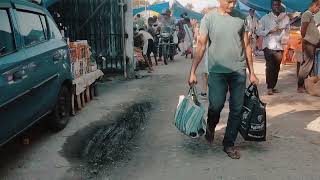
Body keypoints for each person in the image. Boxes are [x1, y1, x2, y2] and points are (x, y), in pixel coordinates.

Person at [188, 0, 259, 159]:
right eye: (229, 1)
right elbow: (201, 44)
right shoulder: (209, 18)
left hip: (238, 70)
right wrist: (192, 71)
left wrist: (251, 72)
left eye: (234, 1)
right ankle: (211, 125)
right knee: (216, 105)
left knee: (237, 108)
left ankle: (229, 143)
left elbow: (246, 45)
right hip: (217, 71)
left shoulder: (242, 18)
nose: (232, 5)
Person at [256, 0, 290, 95]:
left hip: (279, 46)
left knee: (277, 67)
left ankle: (273, 86)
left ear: (280, 6)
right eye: (274, 5)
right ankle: (269, 87)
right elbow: (258, 31)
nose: (276, 6)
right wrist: (269, 31)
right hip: (268, 46)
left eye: (278, 5)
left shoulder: (285, 17)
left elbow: (287, 30)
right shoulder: (265, 18)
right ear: (271, 6)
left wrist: (285, 38)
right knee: (270, 67)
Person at [297, 0, 320, 93]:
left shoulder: (310, 15)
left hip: (312, 43)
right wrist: (306, 39)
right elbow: (303, 29)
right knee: (306, 66)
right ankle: (300, 86)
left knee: (309, 65)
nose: (318, 10)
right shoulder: (307, 14)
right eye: (318, 7)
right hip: (309, 43)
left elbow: (310, 28)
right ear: (315, 5)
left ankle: (305, 85)